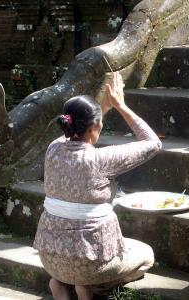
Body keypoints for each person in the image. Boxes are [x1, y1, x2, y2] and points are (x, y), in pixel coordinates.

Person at [33, 72, 162, 300]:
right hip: (90, 265)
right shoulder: (101, 160)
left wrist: (102, 109)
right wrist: (120, 105)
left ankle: (62, 287)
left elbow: (78, 131)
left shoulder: (53, 149)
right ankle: (91, 288)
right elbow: (153, 143)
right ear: (95, 127)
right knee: (146, 254)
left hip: (50, 259)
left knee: (64, 271)